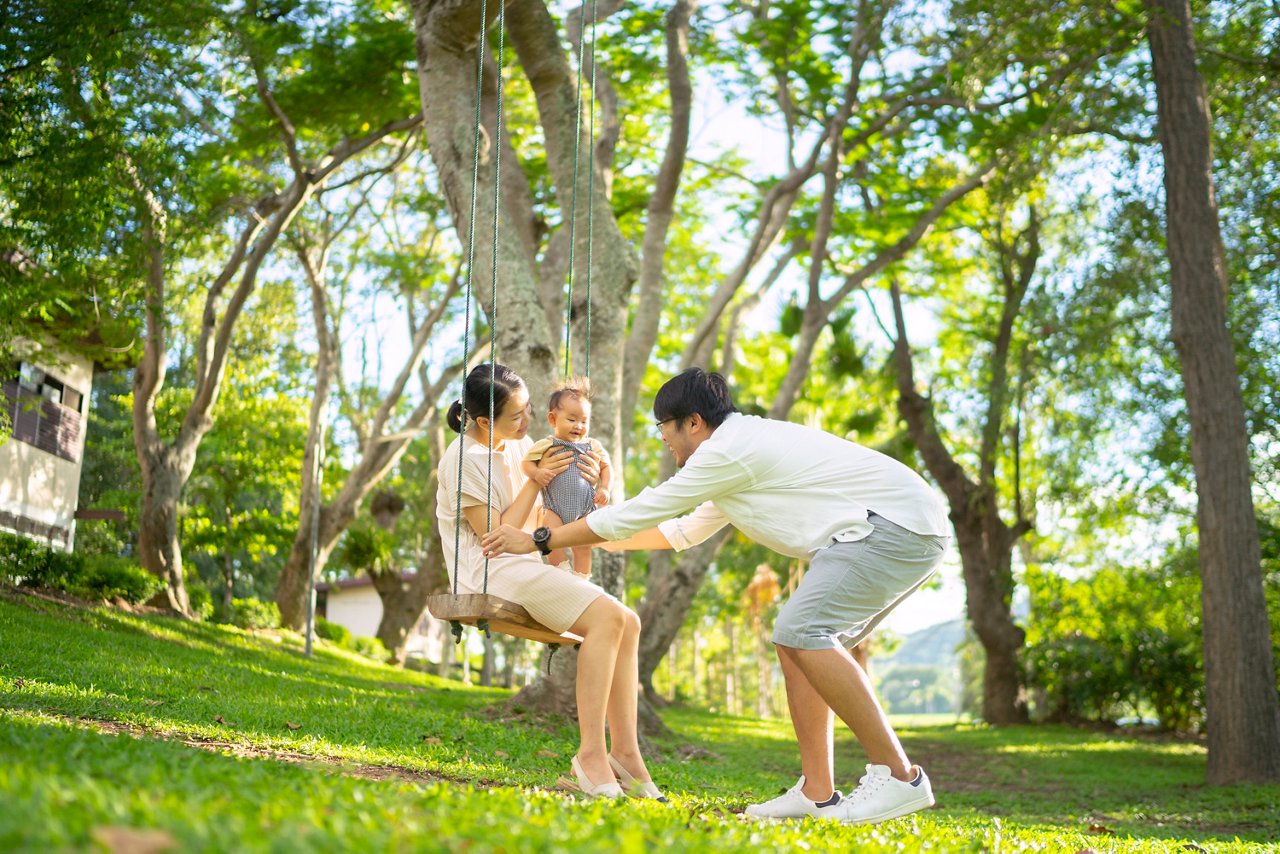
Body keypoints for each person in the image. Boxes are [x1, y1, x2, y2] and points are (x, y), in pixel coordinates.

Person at [481, 367, 950, 825]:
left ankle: (898, 777)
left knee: (804, 632)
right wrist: (582, 536)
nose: (662, 437)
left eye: (663, 425)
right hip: (889, 526)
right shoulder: (735, 453)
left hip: (891, 527)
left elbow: (647, 509)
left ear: (692, 422)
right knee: (796, 643)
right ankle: (817, 792)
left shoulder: (725, 453)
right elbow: (681, 531)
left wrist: (541, 539)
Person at [437, 363, 664, 802]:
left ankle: (628, 756)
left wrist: (593, 481)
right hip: (489, 569)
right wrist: (534, 481)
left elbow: (550, 510)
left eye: (528, 411)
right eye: (517, 416)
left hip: (526, 564)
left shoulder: (517, 446)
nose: (527, 422)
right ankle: (591, 755)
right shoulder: (462, 461)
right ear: (483, 421)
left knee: (628, 622)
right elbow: (497, 537)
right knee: (607, 620)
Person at [520, 378, 611, 578]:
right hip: (555, 508)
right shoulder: (546, 445)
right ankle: (561, 570)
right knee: (548, 535)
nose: (578, 425)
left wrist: (604, 487)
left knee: (584, 546)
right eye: (571, 419)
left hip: (585, 507)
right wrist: (537, 473)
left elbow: (606, 466)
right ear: (553, 419)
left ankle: (581, 578)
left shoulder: (592, 445)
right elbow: (526, 464)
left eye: (584, 421)